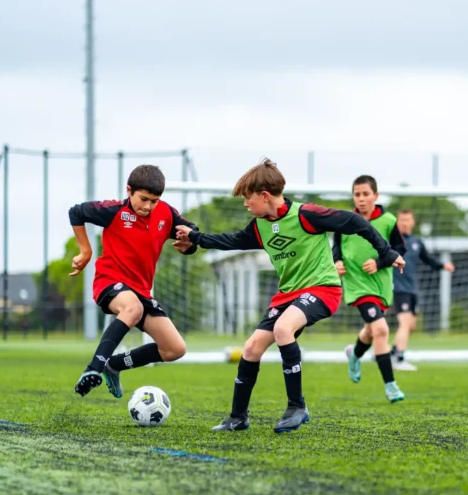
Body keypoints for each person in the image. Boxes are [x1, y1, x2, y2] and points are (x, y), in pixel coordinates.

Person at [173, 159, 405, 432]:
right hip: (287, 295)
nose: (246, 205)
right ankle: (238, 417)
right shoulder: (259, 226)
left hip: (322, 288)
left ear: (265, 196)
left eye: (248, 199)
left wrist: (386, 252)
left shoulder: (307, 215)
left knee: (284, 329)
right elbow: (231, 241)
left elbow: (354, 221)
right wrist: (196, 238)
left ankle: (297, 407)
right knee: (251, 348)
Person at [67, 164, 198, 398]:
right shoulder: (114, 211)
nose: (148, 206)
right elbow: (76, 212)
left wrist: (189, 244)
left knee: (174, 349)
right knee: (132, 308)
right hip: (110, 282)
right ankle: (93, 369)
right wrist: (85, 251)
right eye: (143, 199)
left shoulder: (166, 214)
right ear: (129, 191)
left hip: (142, 291)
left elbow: (190, 230)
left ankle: (114, 365)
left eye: (154, 201)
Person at [335, 176, 408, 401]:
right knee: (381, 330)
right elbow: (336, 246)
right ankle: (391, 386)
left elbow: (399, 250)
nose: (361, 198)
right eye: (357, 194)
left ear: (375, 196)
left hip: (381, 285)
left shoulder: (387, 220)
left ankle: (354, 355)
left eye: (366, 194)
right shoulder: (345, 221)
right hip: (357, 285)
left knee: (370, 331)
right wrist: (337, 261)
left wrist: (379, 262)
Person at [389, 209, 456, 371]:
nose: (404, 223)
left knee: (410, 325)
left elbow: (428, 259)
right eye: (401, 220)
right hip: (398, 288)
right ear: (397, 223)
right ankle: (399, 359)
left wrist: (443, 266)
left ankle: (390, 354)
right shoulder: (391, 242)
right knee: (404, 323)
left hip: (412, 289)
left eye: (407, 220)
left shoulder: (417, 242)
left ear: (413, 222)